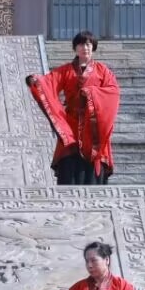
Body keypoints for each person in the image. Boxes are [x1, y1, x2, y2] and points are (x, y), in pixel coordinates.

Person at [27, 30, 119, 186]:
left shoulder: (103, 71)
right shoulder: (65, 70)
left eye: (89, 44)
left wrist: (90, 94)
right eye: (81, 44)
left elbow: (113, 92)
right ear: (75, 48)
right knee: (69, 162)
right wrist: (36, 80)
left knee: (92, 164)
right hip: (72, 124)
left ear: (93, 47)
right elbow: (48, 82)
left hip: (93, 125)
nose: (85, 47)